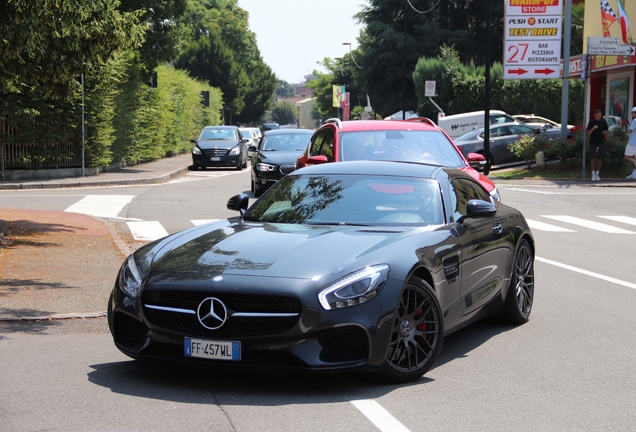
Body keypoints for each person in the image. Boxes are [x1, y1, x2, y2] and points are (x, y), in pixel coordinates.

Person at [586, 109, 609, 181]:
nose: (599, 117)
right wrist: (593, 128)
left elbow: (607, 130)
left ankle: (597, 173)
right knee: (593, 158)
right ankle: (593, 174)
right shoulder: (591, 122)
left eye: (600, 115)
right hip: (593, 142)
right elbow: (588, 133)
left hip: (601, 142)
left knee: (599, 158)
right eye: (597, 115)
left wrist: (605, 132)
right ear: (595, 115)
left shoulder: (603, 121)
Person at [625, 107, 636, 179]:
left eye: (632, 113)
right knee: (634, 157)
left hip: (632, 142)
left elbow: (630, 130)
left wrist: (628, 126)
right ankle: (634, 174)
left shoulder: (635, 120)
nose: (632, 114)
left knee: (626, 157)